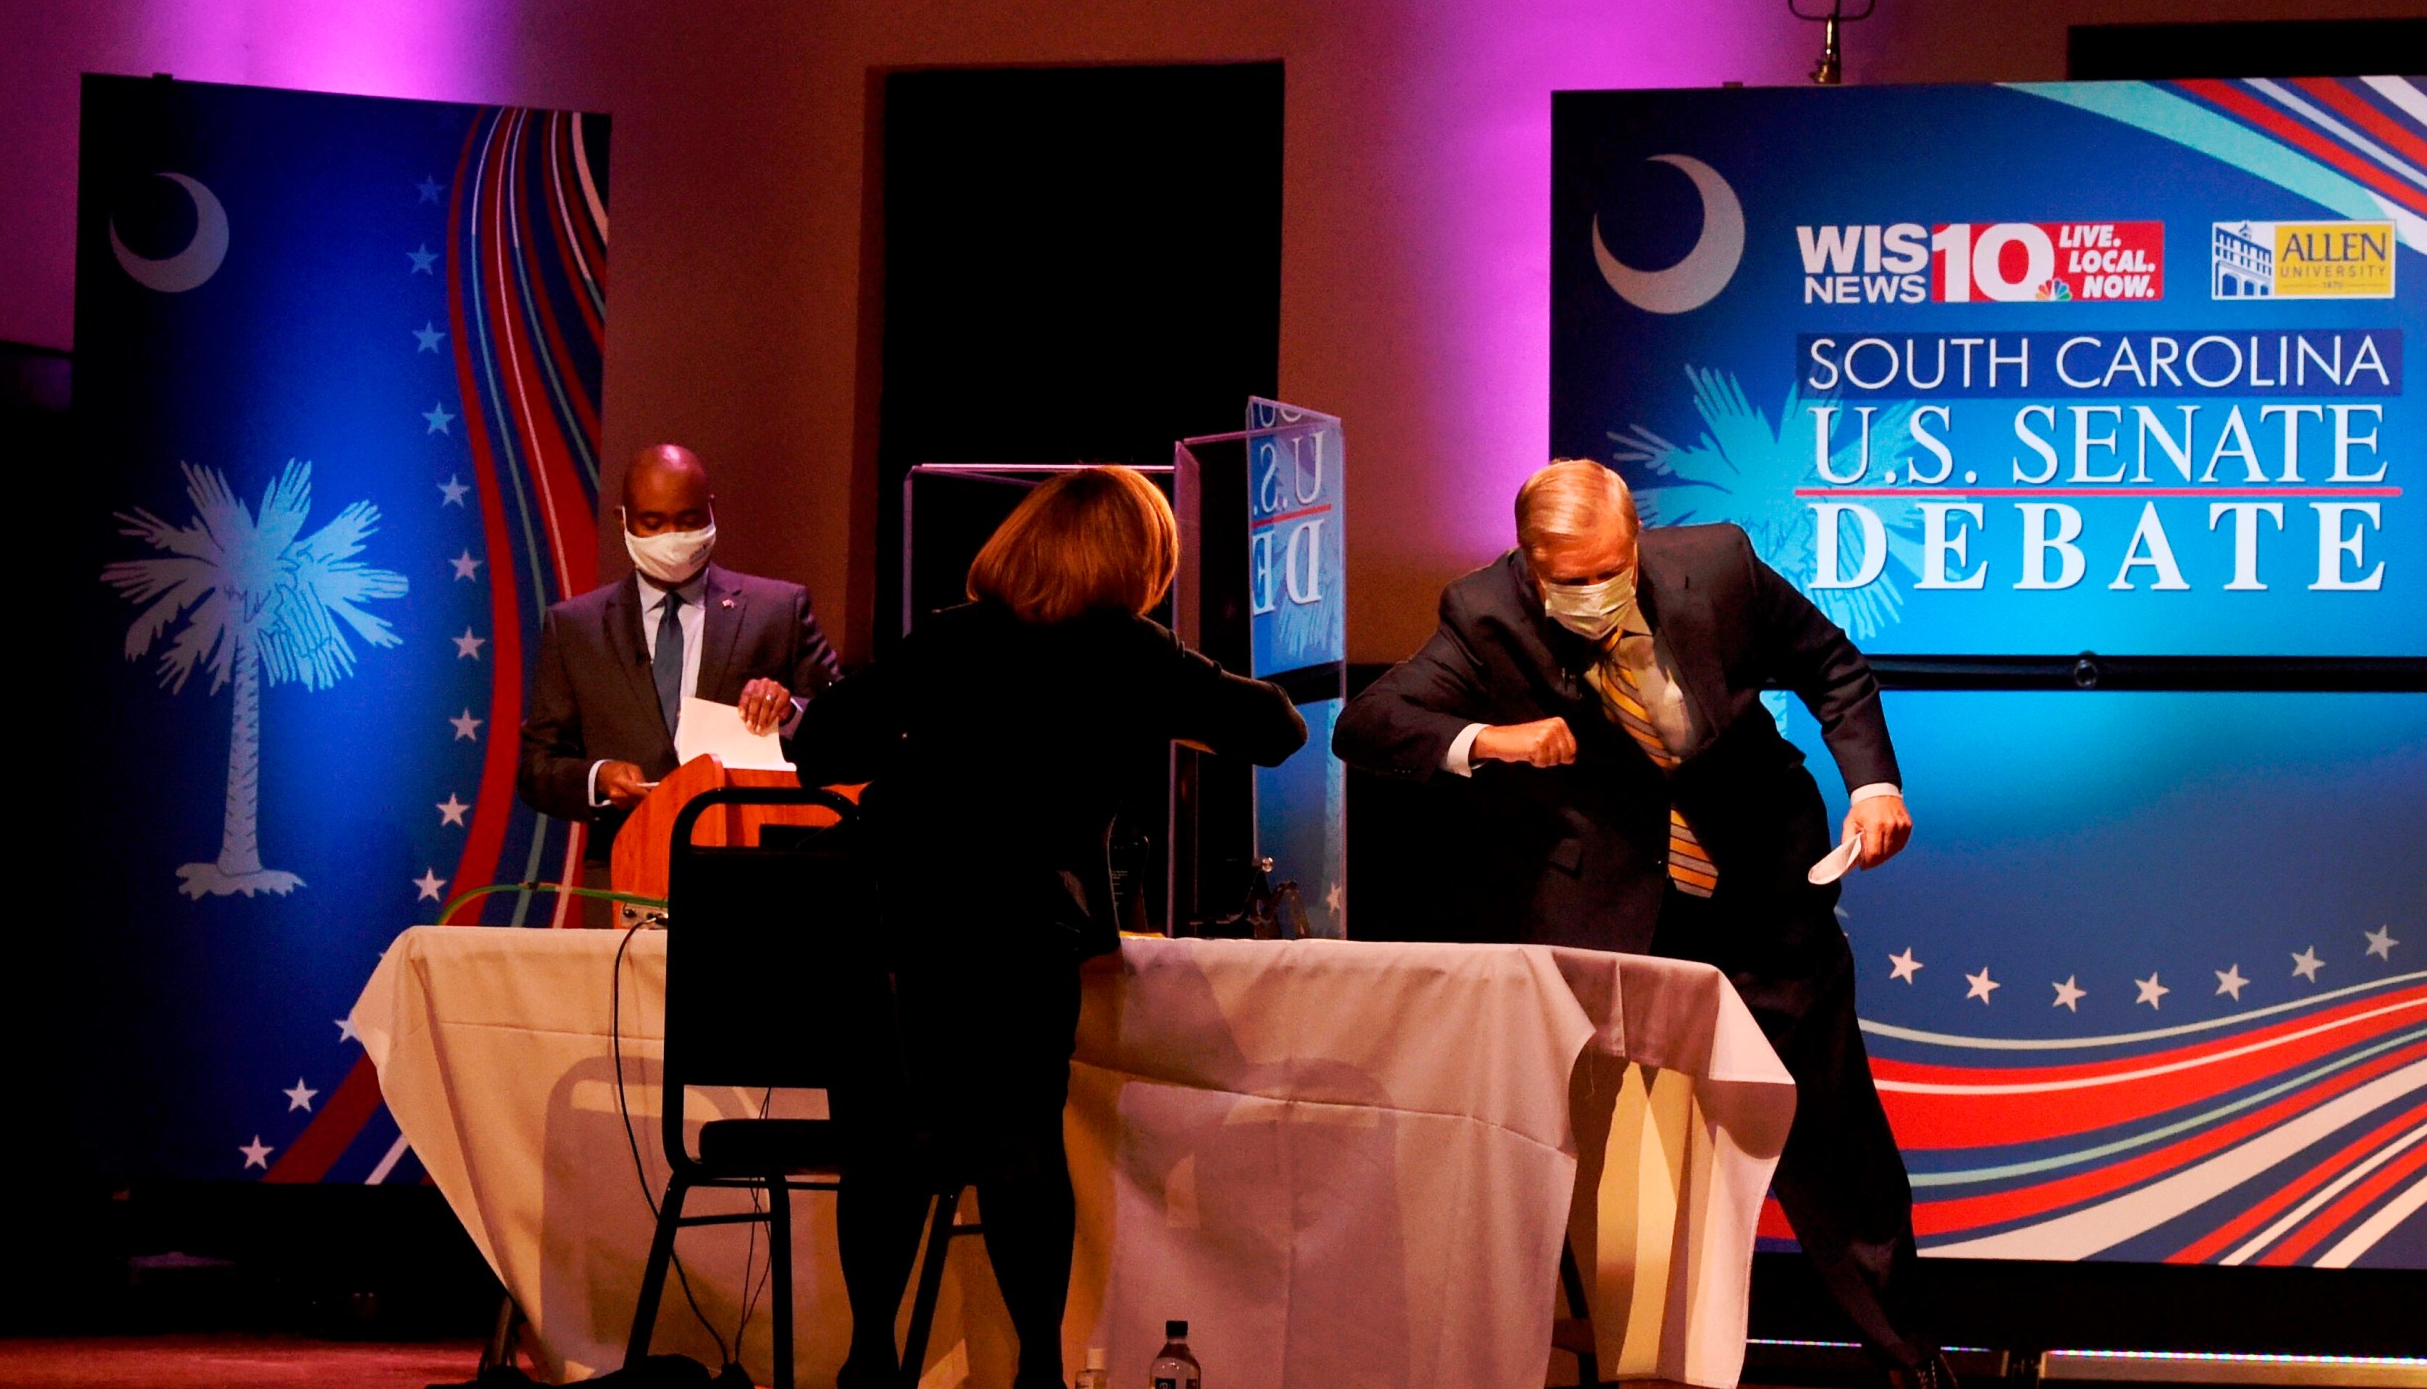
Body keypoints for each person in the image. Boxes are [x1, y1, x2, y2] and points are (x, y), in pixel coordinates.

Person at [1331, 459, 1948, 1389]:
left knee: (1832, 1144)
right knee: (1617, 1167)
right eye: (1567, 580)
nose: (1592, 593)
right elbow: (1369, 723)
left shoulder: (1721, 566)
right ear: (1529, 562)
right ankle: (1634, 1366)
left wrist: (1874, 784)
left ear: (1635, 542)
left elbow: (1835, 669)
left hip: (1765, 895)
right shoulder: (1484, 613)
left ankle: (1908, 1359)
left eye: (1607, 570)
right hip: (1615, 920)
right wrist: (1489, 741)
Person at [792, 465, 1307, 1389]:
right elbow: (1275, 731)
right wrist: (1169, 709)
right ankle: (1037, 1369)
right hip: (1015, 927)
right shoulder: (1131, 654)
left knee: (887, 1146)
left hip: (883, 921)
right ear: (1138, 563)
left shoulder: (949, 641)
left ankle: (870, 1358)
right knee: (1018, 1144)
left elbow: (820, 746)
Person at [517, 443, 842, 866]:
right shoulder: (575, 628)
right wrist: (599, 778)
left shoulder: (777, 610)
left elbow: (843, 730)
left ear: (710, 510)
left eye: (688, 521)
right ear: (624, 520)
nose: (672, 537)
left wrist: (791, 713)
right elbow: (538, 767)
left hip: (753, 864)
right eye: (653, 523)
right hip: (625, 860)